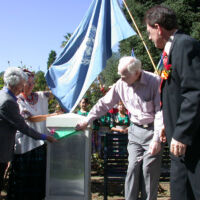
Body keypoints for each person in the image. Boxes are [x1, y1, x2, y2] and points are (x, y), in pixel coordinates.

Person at [76, 56, 163, 200]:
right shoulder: (121, 84)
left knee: (149, 171)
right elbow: (104, 104)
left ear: (136, 73)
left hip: (152, 131)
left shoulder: (154, 81)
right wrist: (87, 119)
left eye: (124, 76)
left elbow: (161, 112)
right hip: (135, 130)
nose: (121, 79)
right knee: (132, 169)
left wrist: (157, 138)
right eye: (120, 75)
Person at [144, 5, 200, 200]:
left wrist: (182, 133)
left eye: (149, 32)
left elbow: (193, 92)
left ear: (158, 27)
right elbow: (173, 93)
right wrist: (167, 126)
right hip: (177, 136)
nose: (149, 37)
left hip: (190, 140)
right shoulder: (171, 50)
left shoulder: (185, 45)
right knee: (180, 190)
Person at [0, 67, 56, 197]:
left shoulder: (6, 95)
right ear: (17, 84)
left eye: (31, 83)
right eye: (24, 83)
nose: (26, 86)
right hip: (17, 147)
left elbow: (53, 93)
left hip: (34, 146)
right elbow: (24, 125)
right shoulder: (10, 100)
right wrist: (45, 137)